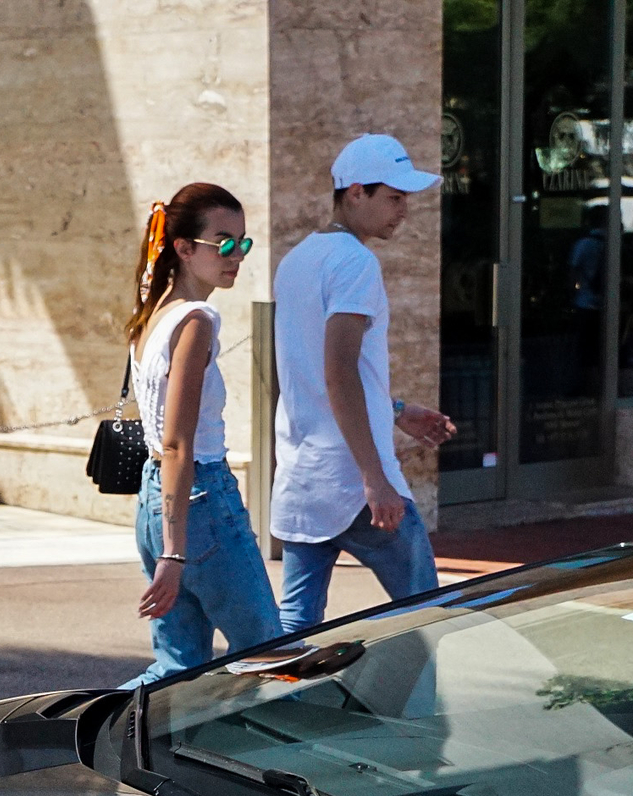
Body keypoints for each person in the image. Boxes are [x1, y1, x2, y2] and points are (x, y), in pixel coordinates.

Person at [269, 134, 459, 634]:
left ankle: (278, 710)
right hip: (353, 479)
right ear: (356, 192)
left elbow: (316, 371)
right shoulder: (355, 262)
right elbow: (338, 370)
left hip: (304, 473)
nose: (403, 212)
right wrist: (375, 478)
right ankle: (419, 711)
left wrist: (395, 409)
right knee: (427, 615)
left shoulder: (296, 261)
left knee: (295, 626)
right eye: (394, 198)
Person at [123, 184, 281, 683]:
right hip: (201, 499)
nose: (236, 257)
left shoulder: (151, 316)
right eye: (224, 244)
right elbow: (177, 443)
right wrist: (174, 551)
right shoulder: (196, 320)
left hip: (156, 496)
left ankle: (93, 730)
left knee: (178, 667)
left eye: (243, 243)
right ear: (184, 248)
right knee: (269, 656)